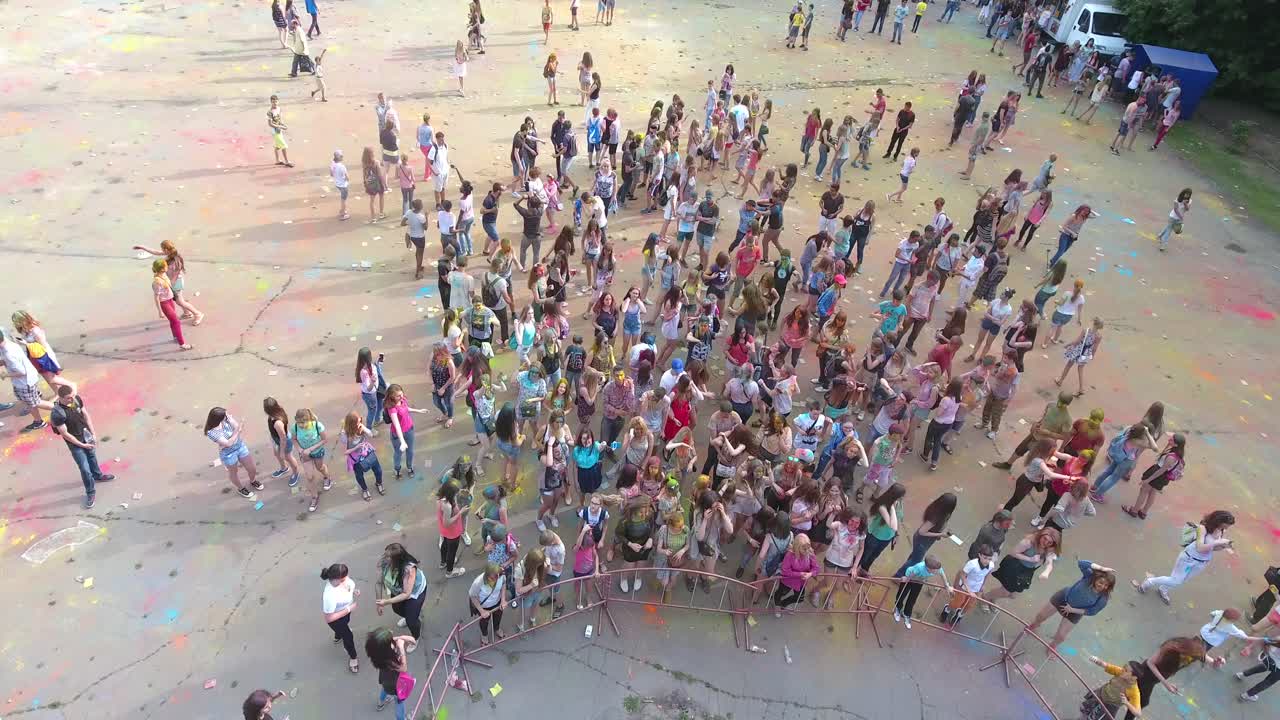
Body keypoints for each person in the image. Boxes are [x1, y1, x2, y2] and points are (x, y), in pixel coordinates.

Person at [1133, 510, 1235, 604]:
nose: (1226, 528)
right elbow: (1200, 548)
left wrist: (1222, 546)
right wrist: (1218, 542)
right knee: (1176, 580)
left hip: (1202, 562)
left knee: (1182, 580)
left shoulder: (1220, 530)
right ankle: (1149, 582)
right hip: (1189, 558)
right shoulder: (1202, 528)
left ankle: (1163, 589)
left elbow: (1212, 548)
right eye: (1225, 525)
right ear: (1219, 521)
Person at [1023, 560, 1115, 651]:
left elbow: (1092, 611)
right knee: (1041, 616)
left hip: (1076, 611)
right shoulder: (1089, 577)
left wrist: (1072, 610)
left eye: (1106, 585)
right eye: (1101, 582)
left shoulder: (1103, 598)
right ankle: (1035, 625)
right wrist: (1101, 568)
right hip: (1063, 598)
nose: (1102, 586)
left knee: (1061, 636)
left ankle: (1052, 646)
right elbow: (1081, 563)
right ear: (1096, 579)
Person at [49, 385, 115, 509]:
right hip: (75, 443)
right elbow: (65, 434)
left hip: (86, 435)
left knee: (92, 456)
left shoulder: (76, 399)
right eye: (69, 398)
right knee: (84, 468)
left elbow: (86, 415)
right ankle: (90, 492)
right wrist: (82, 445)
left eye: (73, 396)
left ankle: (97, 475)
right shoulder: (57, 413)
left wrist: (93, 434)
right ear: (61, 398)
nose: (72, 399)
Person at [204, 408, 262, 500]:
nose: (228, 415)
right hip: (228, 453)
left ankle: (253, 480)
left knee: (252, 468)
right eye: (225, 415)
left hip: (240, 446)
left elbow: (237, 427)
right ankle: (241, 488)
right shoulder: (211, 432)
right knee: (233, 472)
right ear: (218, 418)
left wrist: (233, 423)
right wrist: (237, 432)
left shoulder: (226, 420)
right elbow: (228, 443)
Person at [375, 542, 427, 641]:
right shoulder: (385, 563)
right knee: (397, 609)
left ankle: (415, 638)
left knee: (411, 621)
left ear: (397, 560)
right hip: (398, 590)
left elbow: (406, 594)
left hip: (414, 593)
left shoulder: (409, 569)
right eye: (385, 554)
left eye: (388, 557)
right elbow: (378, 583)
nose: (384, 558)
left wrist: (386, 602)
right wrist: (379, 603)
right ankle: (411, 616)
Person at [366, 629, 416, 720]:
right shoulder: (390, 660)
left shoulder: (378, 652)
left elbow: (410, 640)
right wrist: (401, 649)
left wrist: (402, 637)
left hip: (385, 678)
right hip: (395, 683)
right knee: (399, 702)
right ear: (386, 648)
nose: (392, 633)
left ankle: (380, 703)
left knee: (384, 689)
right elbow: (404, 669)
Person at [320, 563, 360, 673]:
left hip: (345, 613)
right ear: (338, 579)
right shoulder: (329, 595)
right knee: (348, 635)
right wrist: (348, 609)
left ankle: (338, 636)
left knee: (346, 623)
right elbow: (329, 618)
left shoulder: (344, 579)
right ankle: (353, 658)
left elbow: (348, 587)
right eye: (344, 578)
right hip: (336, 619)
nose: (347, 578)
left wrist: (353, 590)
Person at [894, 555, 951, 628]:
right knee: (902, 595)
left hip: (919, 581)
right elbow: (912, 574)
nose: (937, 571)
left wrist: (947, 585)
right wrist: (906, 579)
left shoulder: (937, 568)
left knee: (912, 599)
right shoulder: (919, 567)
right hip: (910, 578)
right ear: (928, 568)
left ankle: (907, 614)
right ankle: (898, 608)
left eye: (937, 569)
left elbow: (942, 574)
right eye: (934, 570)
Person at [1079, 655, 1142, 720]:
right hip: (1101, 693)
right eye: (1124, 667)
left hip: (1109, 706)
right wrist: (1096, 660)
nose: (1122, 670)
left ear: (1134, 677)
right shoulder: (1120, 671)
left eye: (1126, 670)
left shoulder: (1134, 691)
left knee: (1092, 718)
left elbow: (1138, 714)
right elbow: (1106, 665)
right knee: (1084, 709)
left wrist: (1127, 703)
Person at [1156, 188, 1191, 252]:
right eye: (1186, 194)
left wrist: (1185, 204)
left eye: (1188, 195)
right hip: (1173, 217)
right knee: (1169, 231)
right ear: (1183, 193)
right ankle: (1163, 245)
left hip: (1179, 218)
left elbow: (1187, 209)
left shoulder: (1189, 201)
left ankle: (1160, 235)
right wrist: (1180, 217)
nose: (1187, 196)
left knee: (1169, 227)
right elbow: (1175, 209)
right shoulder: (1177, 200)